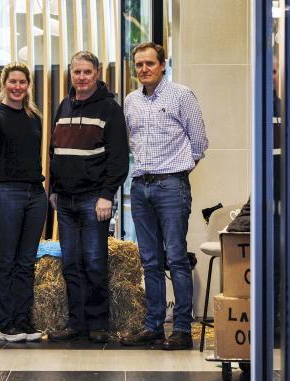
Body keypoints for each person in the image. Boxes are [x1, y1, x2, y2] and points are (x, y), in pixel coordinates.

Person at [121, 42, 209, 350]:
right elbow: (131, 141)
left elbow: (199, 143)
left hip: (171, 185)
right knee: (150, 261)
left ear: (162, 65)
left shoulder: (181, 95)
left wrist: (177, 172)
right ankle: (153, 326)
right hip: (140, 187)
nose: (144, 69)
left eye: (149, 63)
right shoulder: (130, 101)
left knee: (176, 258)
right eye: (139, 64)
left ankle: (182, 330)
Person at [48, 51, 129, 343]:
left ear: (96, 73)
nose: (81, 77)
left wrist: (107, 195)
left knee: (94, 262)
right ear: (70, 74)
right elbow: (54, 151)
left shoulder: (109, 109)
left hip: (94, 199)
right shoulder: (64, 105)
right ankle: (76, 323)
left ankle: (98, 324)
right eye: (76, 72)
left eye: (87, 72)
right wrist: (54, 188)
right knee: (71, 264)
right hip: (65, 200)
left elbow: (118, 158)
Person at [0, 63, 47, 343]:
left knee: (26, 262)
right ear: (3, 84)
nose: (17, 87)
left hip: (35, 193)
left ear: (28, 85)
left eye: (22, 82)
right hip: (5, 192)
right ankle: (7, 324)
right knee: (6, 260)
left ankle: (23, 320)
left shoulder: (34, 117)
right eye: (12, 82)